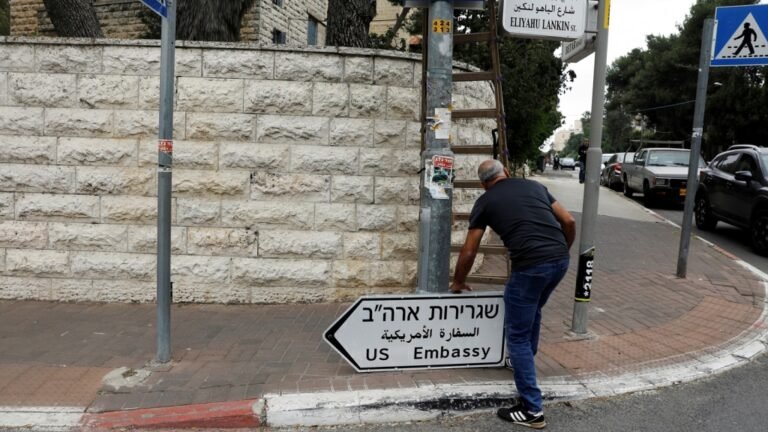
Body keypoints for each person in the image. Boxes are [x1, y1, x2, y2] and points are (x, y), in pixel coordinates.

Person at [450, 160, 575, 429]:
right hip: (560, 262)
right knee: (533, 311)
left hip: (530, 267)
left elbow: (470, 249)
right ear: (505, 171)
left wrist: (458, 281)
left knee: (516, 336)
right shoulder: (535, 187)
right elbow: (568, 220)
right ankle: (524, 366)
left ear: (484, 183)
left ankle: (532, 409)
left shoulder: (485, 201)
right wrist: (562, 250)